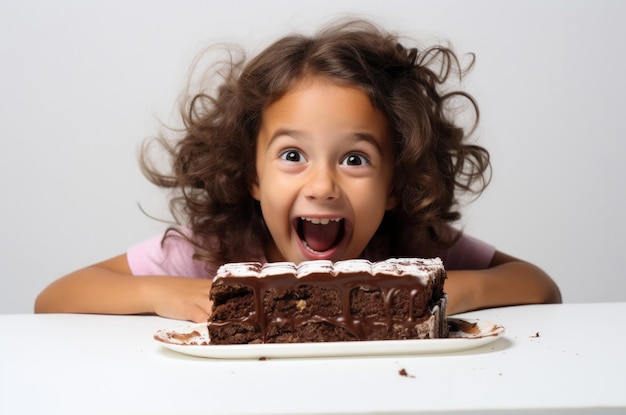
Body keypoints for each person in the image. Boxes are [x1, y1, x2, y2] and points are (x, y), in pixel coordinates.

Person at [35, 19, 561, 322]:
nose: (323, 185)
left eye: (355, 159)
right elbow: (53, 299)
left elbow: (539, 286)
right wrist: (162, 293)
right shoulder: (210, 253)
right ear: (253, 175)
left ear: (396, 185)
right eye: (293, 155)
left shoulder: (412, 251)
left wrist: (443, 291)